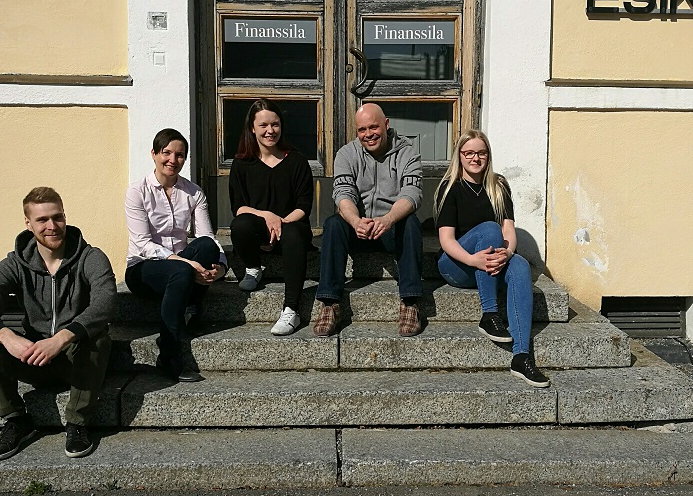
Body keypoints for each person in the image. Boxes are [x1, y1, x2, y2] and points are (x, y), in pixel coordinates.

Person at [0, 187, 115, 461]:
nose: (52, 226)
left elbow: (105, 303)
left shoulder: (90, 257)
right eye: (42, 220)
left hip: (76, 358)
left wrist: (61, 338)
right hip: (33, 358)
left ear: (65, 217)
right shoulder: (15, 264)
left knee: (98, 338)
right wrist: (7, 337)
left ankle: (78, 423)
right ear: (28, 223)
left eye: (57, 217)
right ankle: (16, 419)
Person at [434, 130, 550, 387]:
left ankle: (521, 356)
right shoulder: (450, 187)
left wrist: (507, 253)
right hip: (456, 264)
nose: (475, 158)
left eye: (481, 153)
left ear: (488, 155)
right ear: (459, 156)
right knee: (489, 229)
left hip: (488, 264)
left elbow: (508, 231)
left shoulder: (499, 186)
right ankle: (489, 314)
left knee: (519, 265)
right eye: (469, 153)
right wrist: (473, 260)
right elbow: (446, 240)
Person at [124, 128, 227, 383]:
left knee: (206, 246)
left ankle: (189, 304)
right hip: (143, 269)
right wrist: (183, 262)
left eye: (179, 155)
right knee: (181, 269)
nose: (172, 160)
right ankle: (168, 354)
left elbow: (208, 237)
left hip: (181, 268)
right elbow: (143, 244)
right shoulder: (137, 192)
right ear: (154, 154)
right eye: (166, 153)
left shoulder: (193, 192)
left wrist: (222, 268)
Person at [313, 103, 424, 337]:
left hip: (391, 228)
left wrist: (388, 219)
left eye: (374, 127)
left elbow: (412, 194)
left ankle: (410, 302)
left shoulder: (407, 153)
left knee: (411, 223)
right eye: (362, 129)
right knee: (333, 224)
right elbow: (342, 193)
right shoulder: (346, 154)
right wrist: (355, 221)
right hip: (359, 228)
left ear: (386, 124)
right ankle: (330, 303)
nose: (368, 134)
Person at [229, 99, 314, 335]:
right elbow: (239, 208)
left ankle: (291, 309)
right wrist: (268, 216)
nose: (270, 131)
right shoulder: (241, 163)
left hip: (291, 228)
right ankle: (253, 268)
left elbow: (304, 206)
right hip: (258, 232)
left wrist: (280, 223)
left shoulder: (296, 160)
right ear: (252, 128)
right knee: (241, 225)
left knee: (295, 232)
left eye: (275, 124)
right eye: (263, 125)